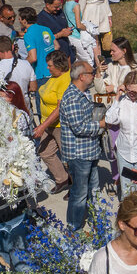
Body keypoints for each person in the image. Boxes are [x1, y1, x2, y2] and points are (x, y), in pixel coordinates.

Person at [59, 60, 102, 230]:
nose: (94, 75)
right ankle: (74, 226)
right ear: (82, 76)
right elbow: (79, 127)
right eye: (91, 73)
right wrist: (101, 125)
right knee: (79, 193)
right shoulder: (72, 97)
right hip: (79, 155)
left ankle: (95, 221)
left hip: (90, 151)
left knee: (93, 190)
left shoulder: (83, 93)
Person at [107, 72, 137, 201]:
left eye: (135, 90)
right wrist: (117, 96)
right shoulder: (122, 102)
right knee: (127, 189)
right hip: (124, 152)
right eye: (129, 89)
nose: (132, 93)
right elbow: (110, 119)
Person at [34, 51, 71, 191]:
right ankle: (62, 179)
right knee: (44, 152)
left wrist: (42, 126)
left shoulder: (65, 80)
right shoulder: (54, 77)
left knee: (68, 158)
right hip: (48, 123)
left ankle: (75, 186)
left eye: (50, 66)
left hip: (60, 126)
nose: (48, 68)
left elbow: (59, 108)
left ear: (59, 65)